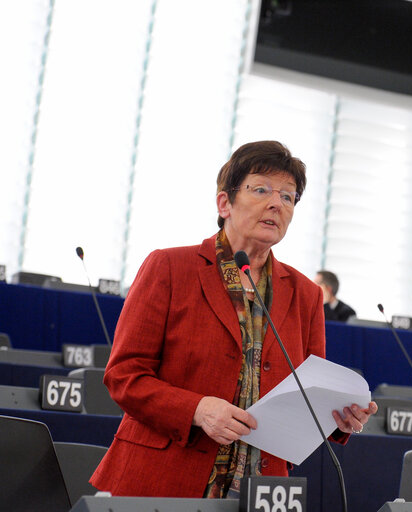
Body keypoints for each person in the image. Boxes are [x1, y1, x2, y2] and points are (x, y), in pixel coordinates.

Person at [90, 141, 377, 498]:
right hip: (164, 478)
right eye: (261, 190)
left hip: (263, 487)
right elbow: (123, 375)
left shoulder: (306, 294)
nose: (277, 203)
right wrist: (197, 409)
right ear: (224, 203)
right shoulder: (169, 267)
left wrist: (340, 418)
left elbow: (309, 390)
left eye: (288, 197)